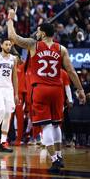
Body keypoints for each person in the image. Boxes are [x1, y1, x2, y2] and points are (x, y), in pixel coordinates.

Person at [7, 9, 86, 173]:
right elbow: (71, 71)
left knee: (46, 126)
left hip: (41, 89)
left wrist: (10, 19)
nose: (36, 33)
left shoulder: (33, 45)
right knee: (57, 125)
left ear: (42, 33)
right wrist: (80, 90)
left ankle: (55, 159)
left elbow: (13, 37)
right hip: (57, 90)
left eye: (38, 31)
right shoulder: (61, 48)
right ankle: (59, 155)